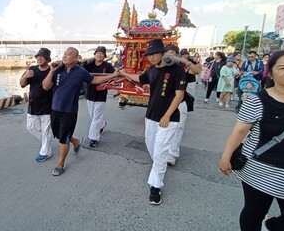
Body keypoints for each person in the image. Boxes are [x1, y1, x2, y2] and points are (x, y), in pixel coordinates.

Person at [219, 50, 284, 231]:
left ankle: (272, 224)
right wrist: (226, 156)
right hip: (259, 169)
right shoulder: (256, 101)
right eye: (283, 67)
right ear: (271, 73)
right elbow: (239, 131)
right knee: (254, 211)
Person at [119, 39, 186, 205]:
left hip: (169, 119)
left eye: (154, 54)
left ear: (163, 53)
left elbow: (179, 95)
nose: (151, 57)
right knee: (152, 148)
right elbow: (140, 78)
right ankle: (158, 166)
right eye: (149, 55)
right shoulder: (151, 70)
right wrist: (123, 73)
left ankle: (155, 187)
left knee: (160, 152)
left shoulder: (177, 70)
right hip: (151, 116)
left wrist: (167, 115)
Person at [42, 47, 119, 176]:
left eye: (68, 54)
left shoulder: (80, 71)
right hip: (55, 109)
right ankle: (75, 141)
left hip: (70, 111)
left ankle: (61, 163)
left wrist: (112, 75)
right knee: (58, 134)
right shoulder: (57, 70)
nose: (65, 56)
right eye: (64, 54)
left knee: (63, 139)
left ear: (76, 57)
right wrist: (51, 71)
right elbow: (45, 86)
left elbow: (94, 80)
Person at [164, 46, 201, 166]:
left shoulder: (183, 67)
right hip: (165, 102)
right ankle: (163, 151)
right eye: (167, 53)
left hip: (180, 102)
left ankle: (172, 154)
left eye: (172, 54)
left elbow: (197, 70)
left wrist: (186, 61)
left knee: (177, 129)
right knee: (163, 128)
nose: (170, 56)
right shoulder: (162, 66)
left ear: (177, 55)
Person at [19, 48, 54, 162]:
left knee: (46, 130)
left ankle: (45, 152)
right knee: (31, 127)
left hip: (47, 105)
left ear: (47, 58)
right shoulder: (32, 69)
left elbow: (48, 86)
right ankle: (47, 143)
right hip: (33, 105)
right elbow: (22, 84)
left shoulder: (52, 70)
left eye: (42, 56)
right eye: (37, 56)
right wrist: (25, 76)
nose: (39, 58)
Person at [82, 46, 116, 147]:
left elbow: (114, 76)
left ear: (105, 56)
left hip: (101, 94)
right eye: (98, 53)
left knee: (96, 117)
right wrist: (82, 62)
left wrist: (112, 81)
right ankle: (102, 125)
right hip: (90, 93)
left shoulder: (108, 66)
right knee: (93, 116)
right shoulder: (89, 65)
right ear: (95, 54)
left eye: (102, 53)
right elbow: (80, 70)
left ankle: (93, 138)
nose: (99, 54)